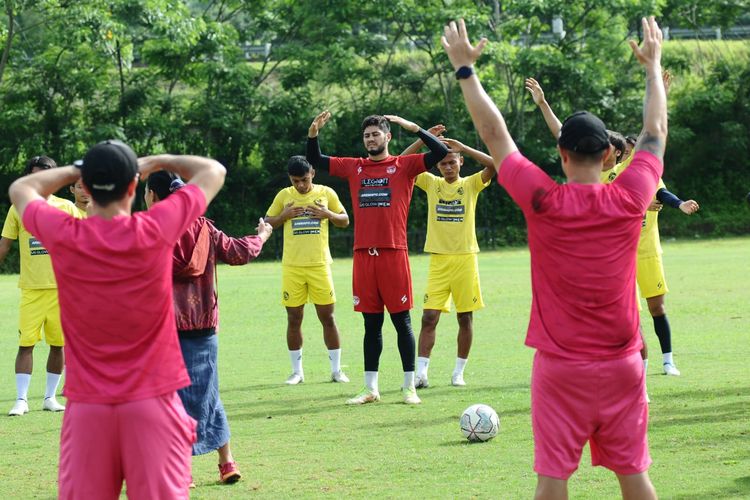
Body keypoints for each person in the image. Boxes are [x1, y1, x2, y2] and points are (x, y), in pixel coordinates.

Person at [442, 16, 666, 498]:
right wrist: (652, 68)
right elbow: (654, 132)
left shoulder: (543, 200)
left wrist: (465, 70)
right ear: (609, 155)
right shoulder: (631, 197)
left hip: (561, 369)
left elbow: (494, 134)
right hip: (625, 363)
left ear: (561, 153)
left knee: (552, 479)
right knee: (635, 474)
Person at [9, 140, 226, 498]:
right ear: (134, 185)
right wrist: (154, 161)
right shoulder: (154, 229)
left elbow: (22, 188)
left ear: (86, 189)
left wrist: (81, 169)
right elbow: (213, 171)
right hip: (153, 404)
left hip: (87, 410)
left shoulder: (65, 234)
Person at [306, 112, 448, 405]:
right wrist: (312, 135)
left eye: (376, 134)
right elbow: (317, 160)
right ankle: (370, 388)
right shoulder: (354, 167)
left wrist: (415, 127)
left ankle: (408, 386)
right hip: (363, 257)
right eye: (367, 135)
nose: (371, 139)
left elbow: (441, 152)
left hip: (393, 254)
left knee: (402, 323)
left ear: (388, 137)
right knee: (371, 326)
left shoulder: (404, 166)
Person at [145, 171, 271, 486]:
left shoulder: (151, 231)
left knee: (168, 399)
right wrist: (263, 235)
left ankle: (180, 470)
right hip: (202, 325)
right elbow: (240, 252)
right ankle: (226, 462)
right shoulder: (205, 228)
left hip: (164, 327)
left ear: (154, 195)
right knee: (208, 394)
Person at [401, 130, 494, 387]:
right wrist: (422, 139)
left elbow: (495, 163)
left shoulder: (471, 184)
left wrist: (463, 146)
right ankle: (421, 374)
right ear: (437, 165)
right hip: (439, 260)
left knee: (465, 317)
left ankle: (458, 373)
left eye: (452, 161)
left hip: (465, 259)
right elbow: (400, 164)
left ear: (460, 162)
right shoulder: (432, 183)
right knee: (429, 317)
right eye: (443, 163)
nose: (448, 167)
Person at [1, 156, 80, 416]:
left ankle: (49, 397)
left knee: (58, 345)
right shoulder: (18, 208)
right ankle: (22, 400)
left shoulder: (66, 207)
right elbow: (4, 245)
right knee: (26, 344)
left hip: (62, 290)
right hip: (32, 290)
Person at [265, 156, 350, 385]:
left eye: (304, 179)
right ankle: (297, 372)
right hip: (292, 267)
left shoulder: (326, 193)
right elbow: (267, 221)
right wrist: (283, 216)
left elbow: (345, 220)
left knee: (328, 317)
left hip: (320, 265)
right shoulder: (284, 195)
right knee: (294, 318)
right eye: (295, 181)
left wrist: (328, 215)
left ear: (312, 172)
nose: (300, 185)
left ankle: (336, 370)